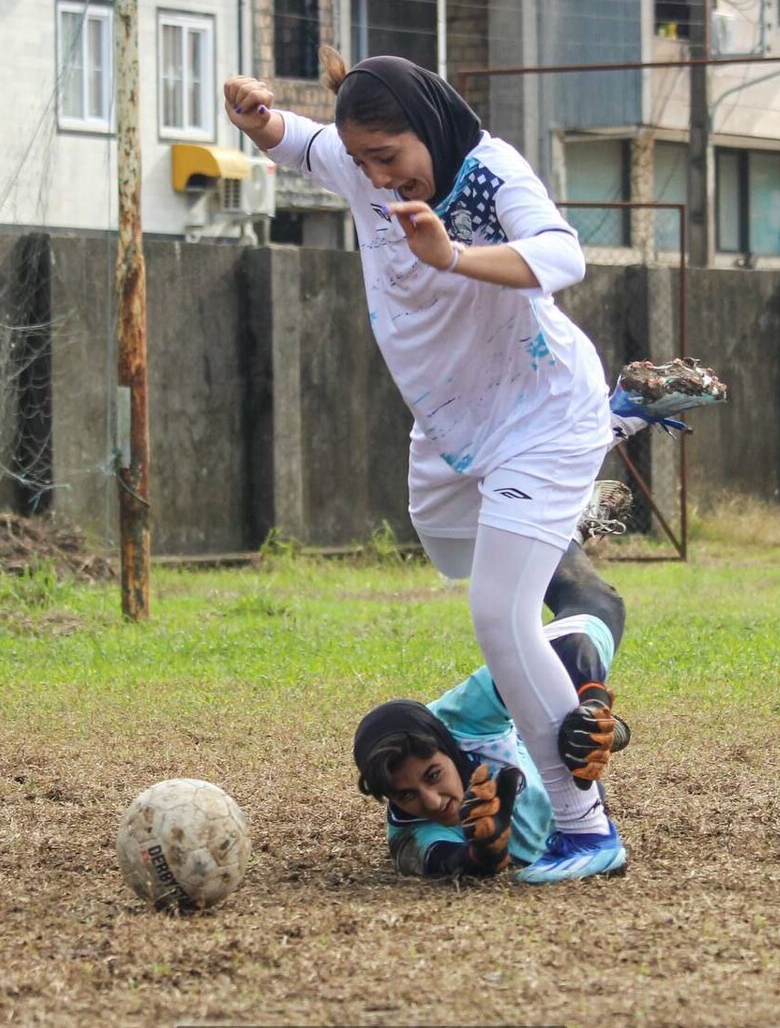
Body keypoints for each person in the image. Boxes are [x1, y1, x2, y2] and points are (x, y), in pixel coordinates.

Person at [224, 51, 725, 883]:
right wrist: (257, 122)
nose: (377, 176)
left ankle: (586, 830)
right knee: (456, 556)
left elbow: (564, 256)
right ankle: (609, 433)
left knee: (500, 616)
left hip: (537, 416)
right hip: (452, 433)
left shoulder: (490, 173)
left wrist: (451, 254)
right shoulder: (363, 168)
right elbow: (300, 143)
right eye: (363, 161)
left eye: (389, 156)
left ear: (429, 127)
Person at [353, 517, 631, 882]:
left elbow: (570, 646)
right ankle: (609, 731)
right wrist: (483, 853)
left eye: (433, 775)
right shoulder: (409, 831)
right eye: (407, 796)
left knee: (599, 604)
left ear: (448, 746)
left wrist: (592, 704)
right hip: (558, 782)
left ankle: (556, 526)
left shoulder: (463, 713)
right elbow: (447, 863)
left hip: (552, 745)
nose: (433, 802)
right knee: (582, 731)